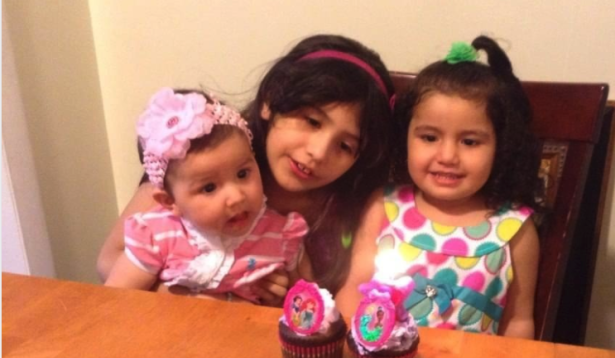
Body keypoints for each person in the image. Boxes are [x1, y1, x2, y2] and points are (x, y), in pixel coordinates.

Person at [97, 35, 397, 304]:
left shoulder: (352, 210)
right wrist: (185, 294)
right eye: (311, 121)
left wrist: (282, 294)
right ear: (270, 100)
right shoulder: (203, 160)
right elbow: (108, 262)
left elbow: (323, 301)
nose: (318, 153)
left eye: (345, 146)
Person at [338, 36, 541, 338]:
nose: (447, 157)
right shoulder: (384, 207)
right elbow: (353, 290)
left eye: (470, 142)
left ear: (501, 146)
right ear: (405, 137)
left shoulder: (515, 229)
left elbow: (519, 321)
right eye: (429, 137)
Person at [105, 88, 308, 301]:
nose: (236, 196)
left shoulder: (281, 234)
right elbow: (117, 301)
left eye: (242, 173)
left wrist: (282, 301)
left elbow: (309, 309)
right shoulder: (158, 236)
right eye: (209, 188)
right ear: (170, 201)